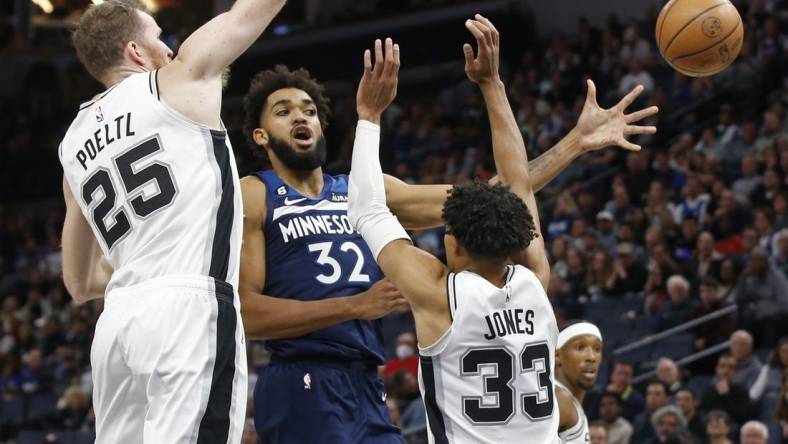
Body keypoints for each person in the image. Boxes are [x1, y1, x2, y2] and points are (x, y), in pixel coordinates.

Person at [239, 15, 656, 444]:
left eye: (308, 109)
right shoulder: (254, 193)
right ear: (261, 135)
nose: (299, 117)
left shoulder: (367, 190)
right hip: (302, 373)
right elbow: (246, 313)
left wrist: (574, 143)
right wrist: (353, 306)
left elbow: (491, 204)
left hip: (365, 377)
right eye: (283, 111)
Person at [58, 0, 286, 441]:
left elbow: (79, 282)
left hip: (118, 322)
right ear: (136, 52)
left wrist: (142, 261)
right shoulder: (179, 79)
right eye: (158, 35)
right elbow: (250, 11)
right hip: (185, 308)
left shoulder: (71, 146)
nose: (168, 47)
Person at [555, 322, 603, 443]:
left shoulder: (569, 402)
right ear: (557, 355)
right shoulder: (559, 400)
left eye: (597, 349)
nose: (591, 357)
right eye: (580, 347)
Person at [701, 353, 751, 425]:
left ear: (735, 372)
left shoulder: (742, 391)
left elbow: (740, 417)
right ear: (716, 369)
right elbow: (704, 414)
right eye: (722, 366)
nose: (726, 370)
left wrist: (725, 395)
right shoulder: (709, 391)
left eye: (731, 367)